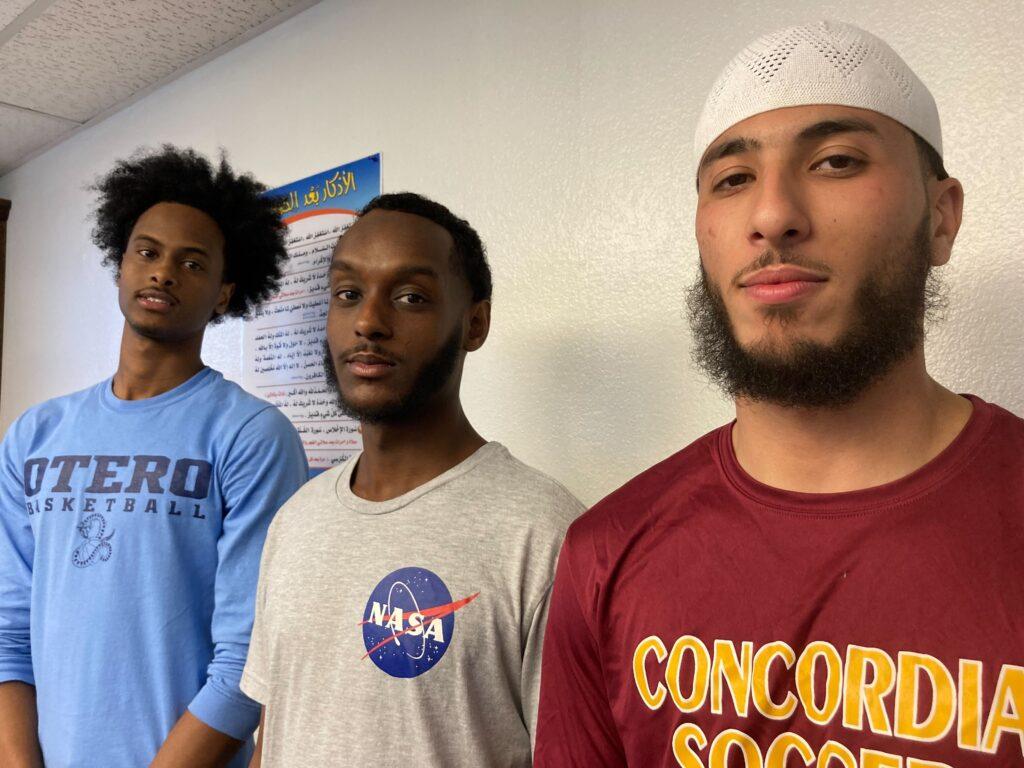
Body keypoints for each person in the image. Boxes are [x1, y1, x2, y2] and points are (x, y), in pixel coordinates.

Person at [535, 20, 1023, 768]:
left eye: (835, 161)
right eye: (733, 180)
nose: (771, 217)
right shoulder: (605, 553)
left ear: (943, 217)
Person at [240, 192, 583, 766]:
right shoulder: (295, 522)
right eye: (348, 295)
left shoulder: (544, 533)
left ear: (475, 322)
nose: (369, 322)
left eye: (410, 297)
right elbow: (275, 734)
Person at [0, 145, 309, 768]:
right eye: (148, 252)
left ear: (224, 294)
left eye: (192, 263)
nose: (163, 272)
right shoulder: (35, 434)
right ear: (121, 267)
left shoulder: (252, 436)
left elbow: (248, 659)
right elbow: (9, 632)